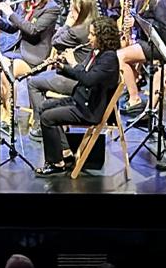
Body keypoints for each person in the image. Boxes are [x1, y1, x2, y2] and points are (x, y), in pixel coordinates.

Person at [35, 18, 124, 176]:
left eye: (92, 34)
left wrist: (73, 62)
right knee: (44, 107)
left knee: (47, 118)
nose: (89, 37)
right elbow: (81, 74)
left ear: (103, 37)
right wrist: (61, 66)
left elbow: (87, 79)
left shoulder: (109, 58)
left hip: (89, 110)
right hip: (81, 100)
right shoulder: (97, 52)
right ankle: (65, 152)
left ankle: (56, 163)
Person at [0, 0, 61, 124]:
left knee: (5, 73)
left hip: (35, 56)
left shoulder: (51, 8)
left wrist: (10, 13)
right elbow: (12, 28)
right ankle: (3, 109)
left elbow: (32, 30)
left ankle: (9, 115)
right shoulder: (26, 5)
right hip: (19, 51)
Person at [23, 0, 97, 130]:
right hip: (85, 77)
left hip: (75, 80)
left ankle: (41, 126)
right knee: (40, 78)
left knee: (33, 82)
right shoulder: (94, 25)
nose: (70, 12)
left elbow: (55, 41)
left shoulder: (78, 30)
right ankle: (55, 121)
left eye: (73, 9)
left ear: (82, 12)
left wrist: (67, 24)